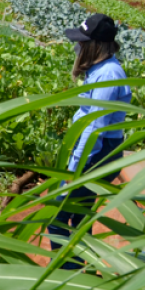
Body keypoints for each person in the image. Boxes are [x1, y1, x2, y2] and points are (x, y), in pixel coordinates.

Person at [48, 14, 131, 266]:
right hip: (96, 150)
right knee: (79, 216)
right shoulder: (100, 70)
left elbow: (95, 127)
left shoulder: (108, 74)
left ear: (95, 45)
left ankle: (65, 271)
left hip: (97, 152)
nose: (78, 46)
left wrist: (75, 168)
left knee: (57, 217)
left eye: (82, 42)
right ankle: (80, 269)